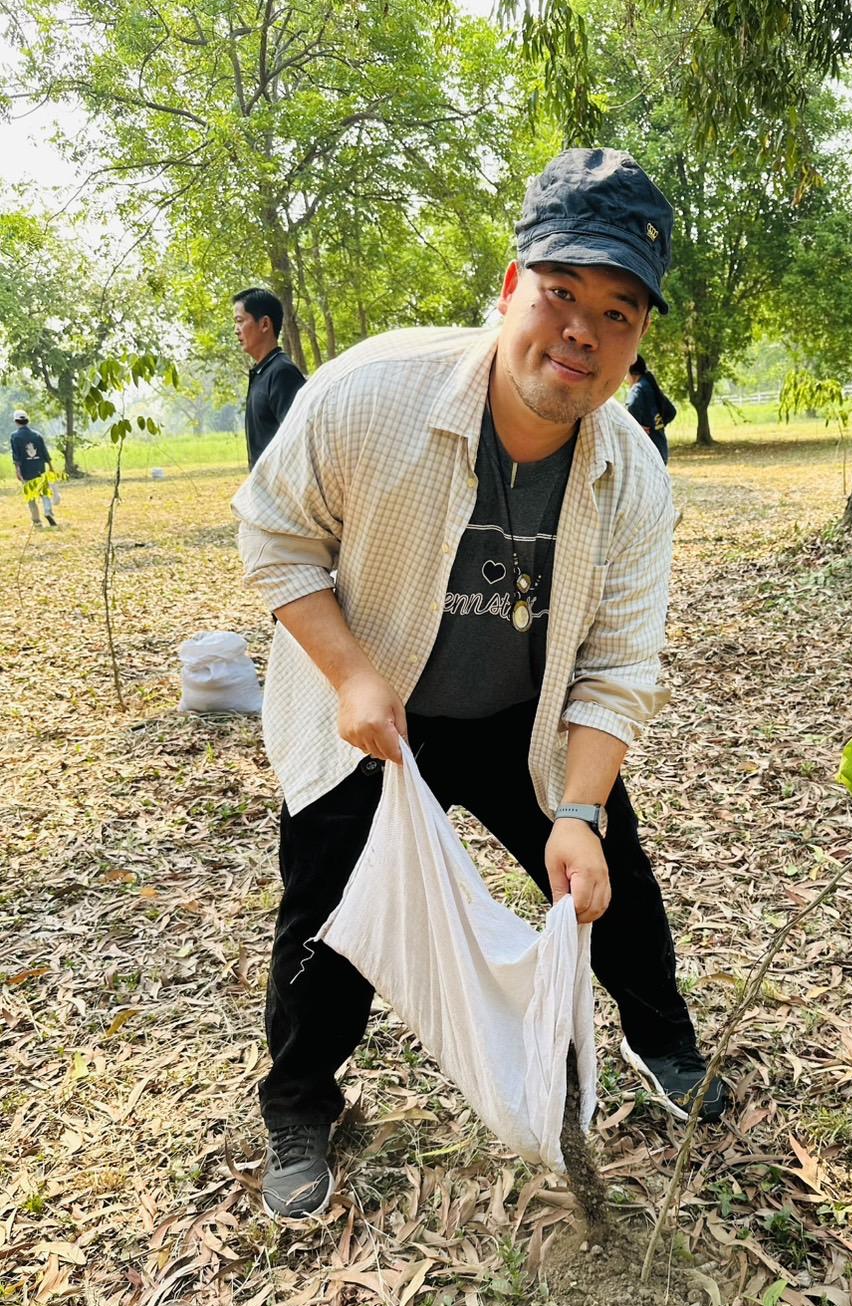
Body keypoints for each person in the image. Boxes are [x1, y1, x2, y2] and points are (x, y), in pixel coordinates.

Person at [233, 148, 726, 1220]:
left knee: (611, 887)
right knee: (325, 916)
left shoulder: (631, 475)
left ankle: (665, 1047)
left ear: (638, 339)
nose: (582, 332)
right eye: (561, 293)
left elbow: (618, 665)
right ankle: (301, 1103)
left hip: (520, 719)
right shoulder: (371, 393)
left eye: (617, 313)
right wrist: (351, 676)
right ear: (510, 288)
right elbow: (273, 537)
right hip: (372, 717)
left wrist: (580, 813)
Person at [233, 287, 306, 468]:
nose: (236, 330)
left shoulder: (283, 373)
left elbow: (299, 441)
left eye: (240, 321)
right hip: (263, 484)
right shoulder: (262, 372)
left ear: (265, 324)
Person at [10, 410, 58, 527]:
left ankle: (36, 520)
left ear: (16, 421)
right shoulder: (37, 435)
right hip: (39, 468)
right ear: (27, 420)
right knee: (44, 493)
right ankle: (48, 511)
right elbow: (44, 452)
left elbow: (16, 455)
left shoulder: (15, 436)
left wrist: (17, 470)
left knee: (30, 496)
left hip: (25, 470)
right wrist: (51, 467)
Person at [625, 355, 676, 464]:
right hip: (661, 449)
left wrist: (636, 428)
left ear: (631, 371)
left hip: (647, 453)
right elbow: (671, 412)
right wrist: (657, 425)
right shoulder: (650, 385)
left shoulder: (637, 390)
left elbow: (631, 406)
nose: (625, 378)